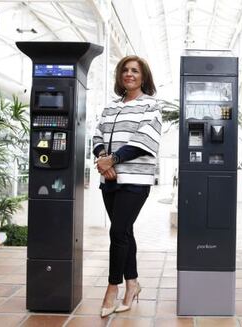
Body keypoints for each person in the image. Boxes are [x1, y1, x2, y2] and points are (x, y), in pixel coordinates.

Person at [92, 55, 162, 317]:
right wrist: (103, 159)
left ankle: (113, 287)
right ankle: (133, 284)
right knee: (124, 232)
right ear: (120, 76)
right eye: (125, 70)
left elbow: (144, 140)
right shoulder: (111, 106)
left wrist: (114, 159)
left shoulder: (151, 106)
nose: (129, 74)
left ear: (143, 77)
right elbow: (97, 135)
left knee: (118, 232)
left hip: (134, 180)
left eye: (135, 70)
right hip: (109, 178)